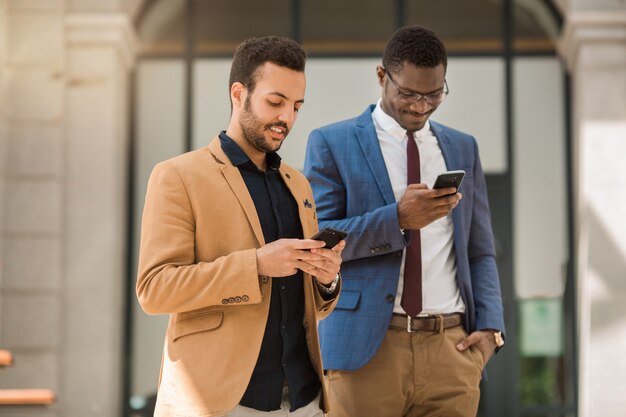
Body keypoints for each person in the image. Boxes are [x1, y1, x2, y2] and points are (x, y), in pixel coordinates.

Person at [136, 36, 345, 417]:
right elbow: (154, 289)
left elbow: (307, 306)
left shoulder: (298, 184)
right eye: (275, 102)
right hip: (222, 402)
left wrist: (326, 279)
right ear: (238, 93)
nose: (288, 118)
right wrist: (256, 265)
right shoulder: (177, 176)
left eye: (296, 106)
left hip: (305, 400)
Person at [303, 25, 505, 417]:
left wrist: (492, 331)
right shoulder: (332, 142)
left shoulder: (463, 147)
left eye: (434, 94)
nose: (420, 106)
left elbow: (480, 249)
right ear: (382, 77)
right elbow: (319, 238)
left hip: (452, 351)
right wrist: (397, 218)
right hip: (367, 352)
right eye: (408, 93)